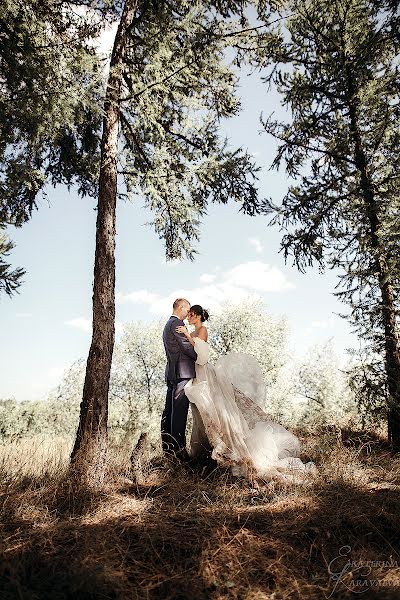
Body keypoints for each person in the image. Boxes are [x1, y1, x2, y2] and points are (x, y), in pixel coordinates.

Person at [176, 304, 316, 483]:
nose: (188, 318)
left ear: (197, 316)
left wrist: (187, 335)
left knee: (218, 413)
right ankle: (202, 455)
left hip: (204, 374)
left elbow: (202, 357)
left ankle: (229, 452)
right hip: (197, 376)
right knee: (203, 414)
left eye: (190, 315)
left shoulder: (202, 330)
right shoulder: (194, 332)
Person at [161, 298, 197, 457]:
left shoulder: (167, 324)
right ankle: (178, 451)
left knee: (169, 411)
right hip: (182, 373)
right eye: (187, 310)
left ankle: (168, 449)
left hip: (172, 373)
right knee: (179, 412)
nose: (188, 314)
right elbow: (187, 348)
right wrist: (200, 355)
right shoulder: (177, 324)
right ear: (181, 308)